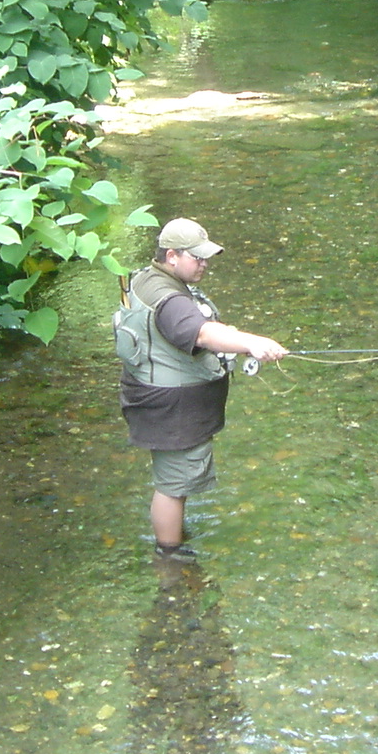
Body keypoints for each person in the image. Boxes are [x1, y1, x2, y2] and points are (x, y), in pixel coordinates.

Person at [114, 217, 287, 562]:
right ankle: (169, 557)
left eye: (206, 257)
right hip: (172, 409)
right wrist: (252, 343)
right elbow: (202, 334)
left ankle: (172, 542)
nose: (205, 264)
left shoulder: (147, 278)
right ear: (173, 255)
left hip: (155, 399)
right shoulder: (169, 300)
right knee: (173, 486)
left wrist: (235, 340)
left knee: (174, 480)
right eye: (198, 257)